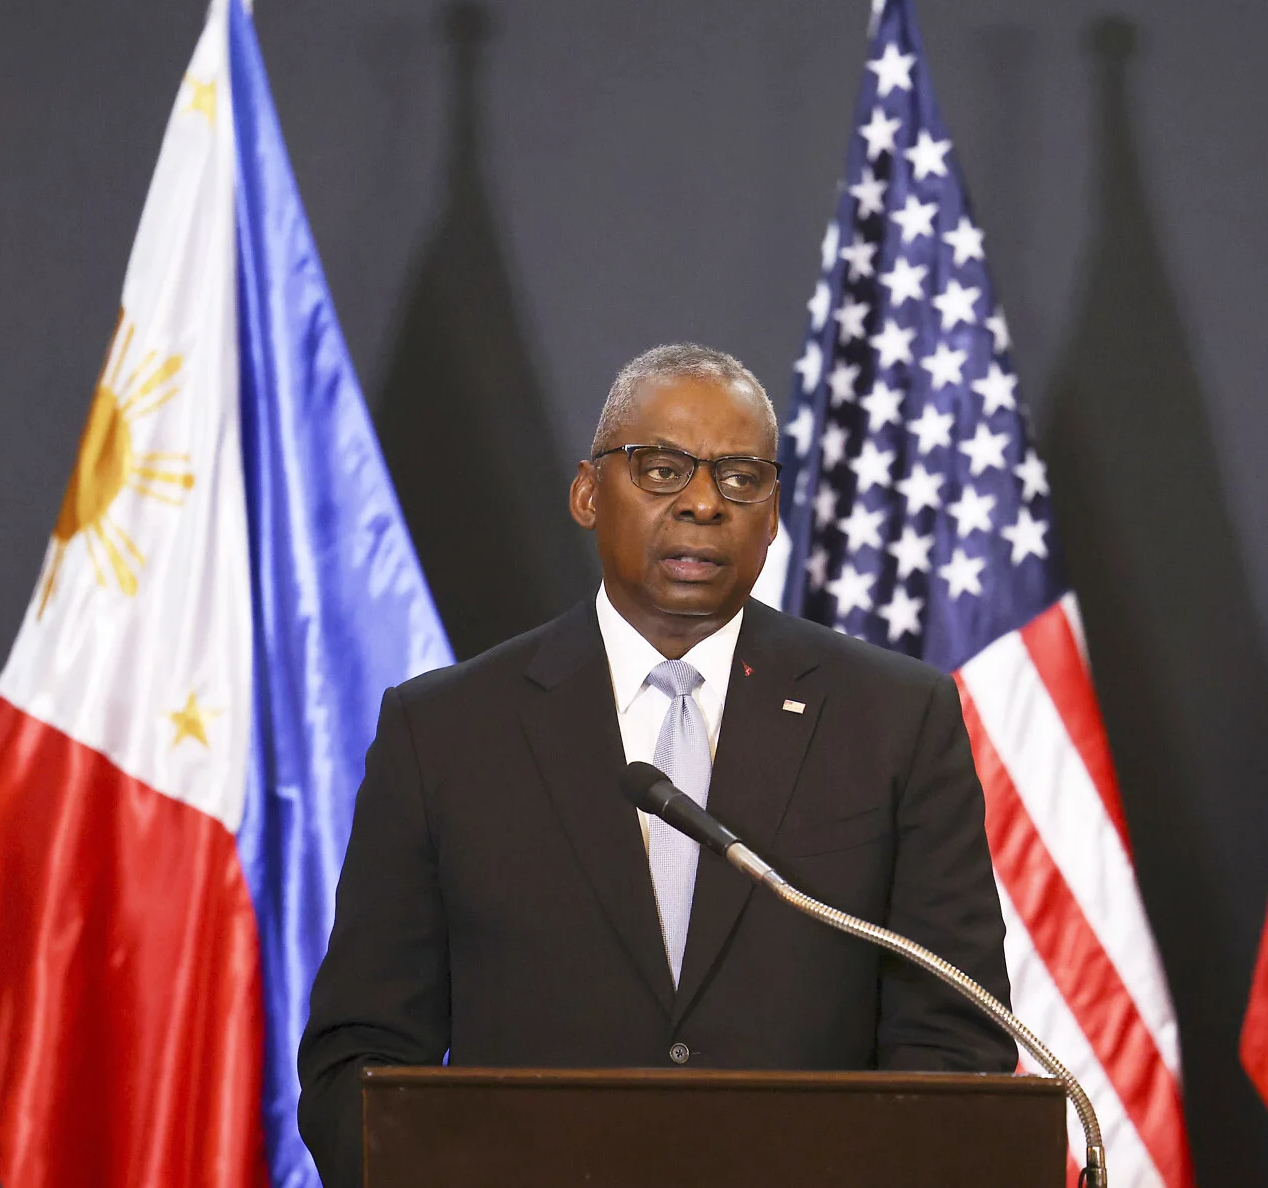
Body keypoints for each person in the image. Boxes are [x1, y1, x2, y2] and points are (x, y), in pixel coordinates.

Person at [298, 343, 1014, 1186]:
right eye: (662, 469)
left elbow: (956, 1041)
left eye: (740, 477)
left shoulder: (894, 717)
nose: (704, 503)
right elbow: (361, 1059)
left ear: (775, 510)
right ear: (587, 492)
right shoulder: (445, 729)